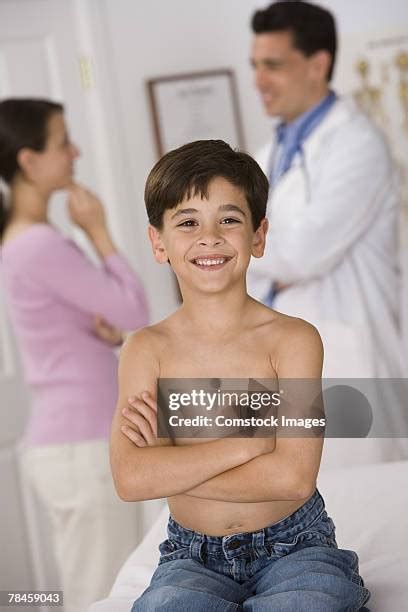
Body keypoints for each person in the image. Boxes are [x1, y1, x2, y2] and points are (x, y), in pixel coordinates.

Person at [110, 139, 370, 611]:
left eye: (229, 219)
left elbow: (293, 478)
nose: (209, 238)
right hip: (191, 556)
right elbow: (130, 479)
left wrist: (168, 469)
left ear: (258, 235)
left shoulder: (293, 341)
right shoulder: (146, 350)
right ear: (158, 242)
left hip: (296, 547)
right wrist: (250, 443)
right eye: (187, 222)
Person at [0, 98, 149, 612]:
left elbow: (90, 326)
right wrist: (99, 231)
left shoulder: (28, 244)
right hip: (79, 447)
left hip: (75, 443)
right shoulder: (38, 245)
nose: (75, 152)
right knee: (98, 598)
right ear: (28, 160)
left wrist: (101, 338)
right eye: (64, 142)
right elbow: (134, 311)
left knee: (102, 590)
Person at [246, 0, 404, 379]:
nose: (258, 81)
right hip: (281, 353)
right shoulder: (268, 154)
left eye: (274, 65)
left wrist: (238, 245)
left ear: (318, 65)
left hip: (349, 355)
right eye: (255, 66)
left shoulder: (357, 144)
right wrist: (253, 250)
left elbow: (302, 253)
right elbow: (251, 255)